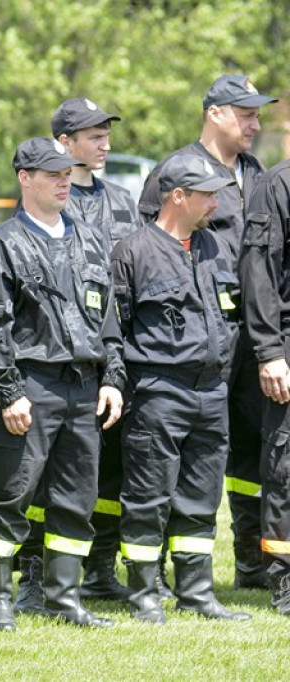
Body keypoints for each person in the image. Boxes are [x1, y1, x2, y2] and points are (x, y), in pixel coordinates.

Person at [0, 137, 124, 631]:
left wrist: (112, 378)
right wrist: (9, 391)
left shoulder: (87, 238)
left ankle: (63, 597)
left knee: (76, 501)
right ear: (24, 178)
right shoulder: (3, 244)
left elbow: (110, 319)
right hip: (32, 387)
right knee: (12, 496)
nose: (63, 181)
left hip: (84, 389)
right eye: (52, 173)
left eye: (66, 173)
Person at [139, 75, 278, 590]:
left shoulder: (256, 172)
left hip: (251, 332)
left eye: (257, 114)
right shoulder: (175, 171)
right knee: (188, 452)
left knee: (251, 450)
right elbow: (152, 250)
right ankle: (166, 573)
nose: (254, 124)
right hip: (197, 336)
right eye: (245, 113)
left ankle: (251, 561)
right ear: (215, 112)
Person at [12, 98, 141, 613]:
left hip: (111, 354)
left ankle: (100, 567)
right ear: (64, 143)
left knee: (105, 472)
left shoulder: (126, 202)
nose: (105, 143)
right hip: (55, 360)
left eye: (107, 133)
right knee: (41, 475)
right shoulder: (46, 200)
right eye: (93, 135)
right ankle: (33, 575)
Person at [112, 154, 249, 623]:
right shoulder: (132, 252)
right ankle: (145, 593)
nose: (215, 202)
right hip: (158, 391)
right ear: (177, 196)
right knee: (148, 495)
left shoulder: (214, 247)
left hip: (212, 392)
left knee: (201, 495)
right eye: (207, 194)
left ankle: (196, 592)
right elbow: (115, 330)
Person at [239, 157, 290, 615]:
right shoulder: (276, 185)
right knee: (286, 460)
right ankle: (286, 577)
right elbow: (260, 272)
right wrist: (270, 350)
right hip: (288, 342)